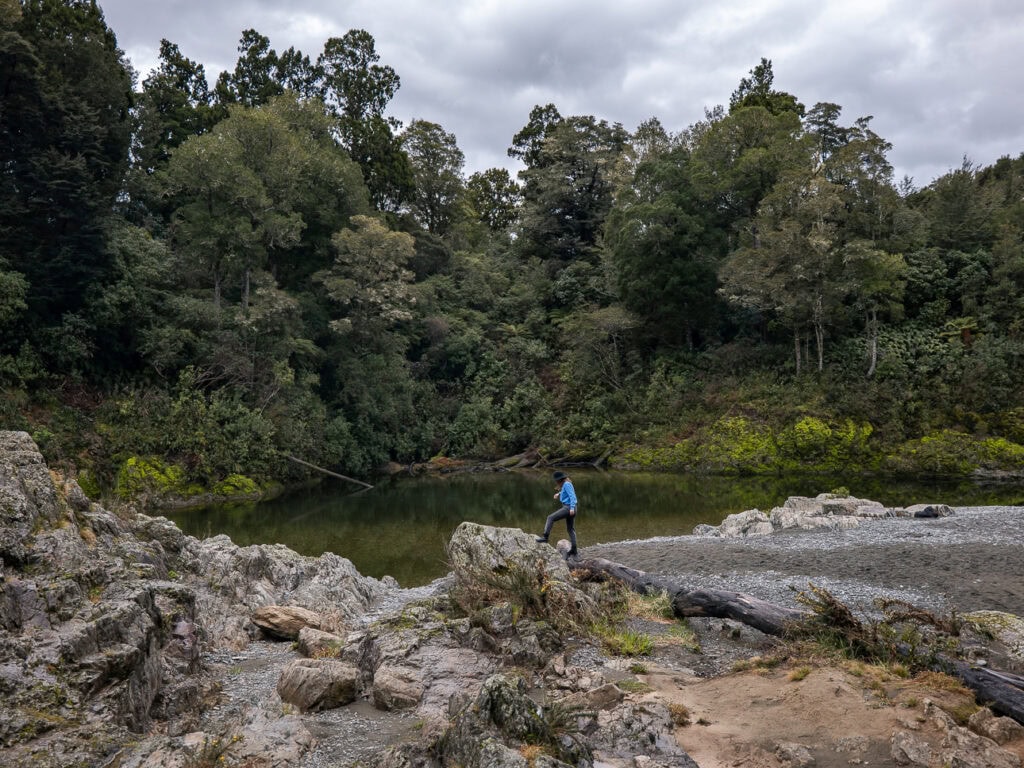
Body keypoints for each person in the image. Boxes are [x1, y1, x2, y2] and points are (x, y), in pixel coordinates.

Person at [535, 471, 578, 556]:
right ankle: (574, 550)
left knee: (550, 518)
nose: (556, 482)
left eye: (556, 481)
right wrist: (558, 493)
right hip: (570, 507)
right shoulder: (566, 484)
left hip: (569, 507)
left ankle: (545, 537)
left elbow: (572, 496)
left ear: (559, 480)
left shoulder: (566, 484)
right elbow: (566, 492)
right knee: (570, 529)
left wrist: (572, 508)